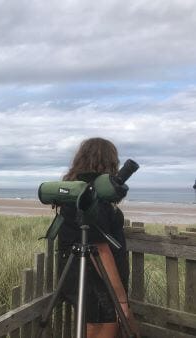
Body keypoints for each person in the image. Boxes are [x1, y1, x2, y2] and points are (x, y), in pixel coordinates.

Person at [57, 137, 140, 338]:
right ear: (109, 162)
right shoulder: (95, 196)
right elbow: (100, 249)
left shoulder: (77, 191)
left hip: (81, 278)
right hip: (99, 286)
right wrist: (120, 298)